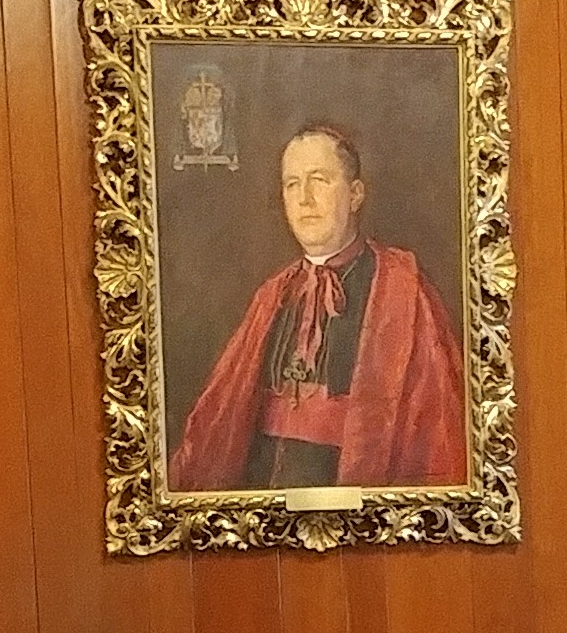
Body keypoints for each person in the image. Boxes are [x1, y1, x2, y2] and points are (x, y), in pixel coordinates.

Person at [168, 121, 469, 490]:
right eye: (292, 184)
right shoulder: (273, 294)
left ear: (355, 194)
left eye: (319, 180)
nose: (304, 199)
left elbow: (436, 430)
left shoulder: (403, 289)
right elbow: (221, 418)